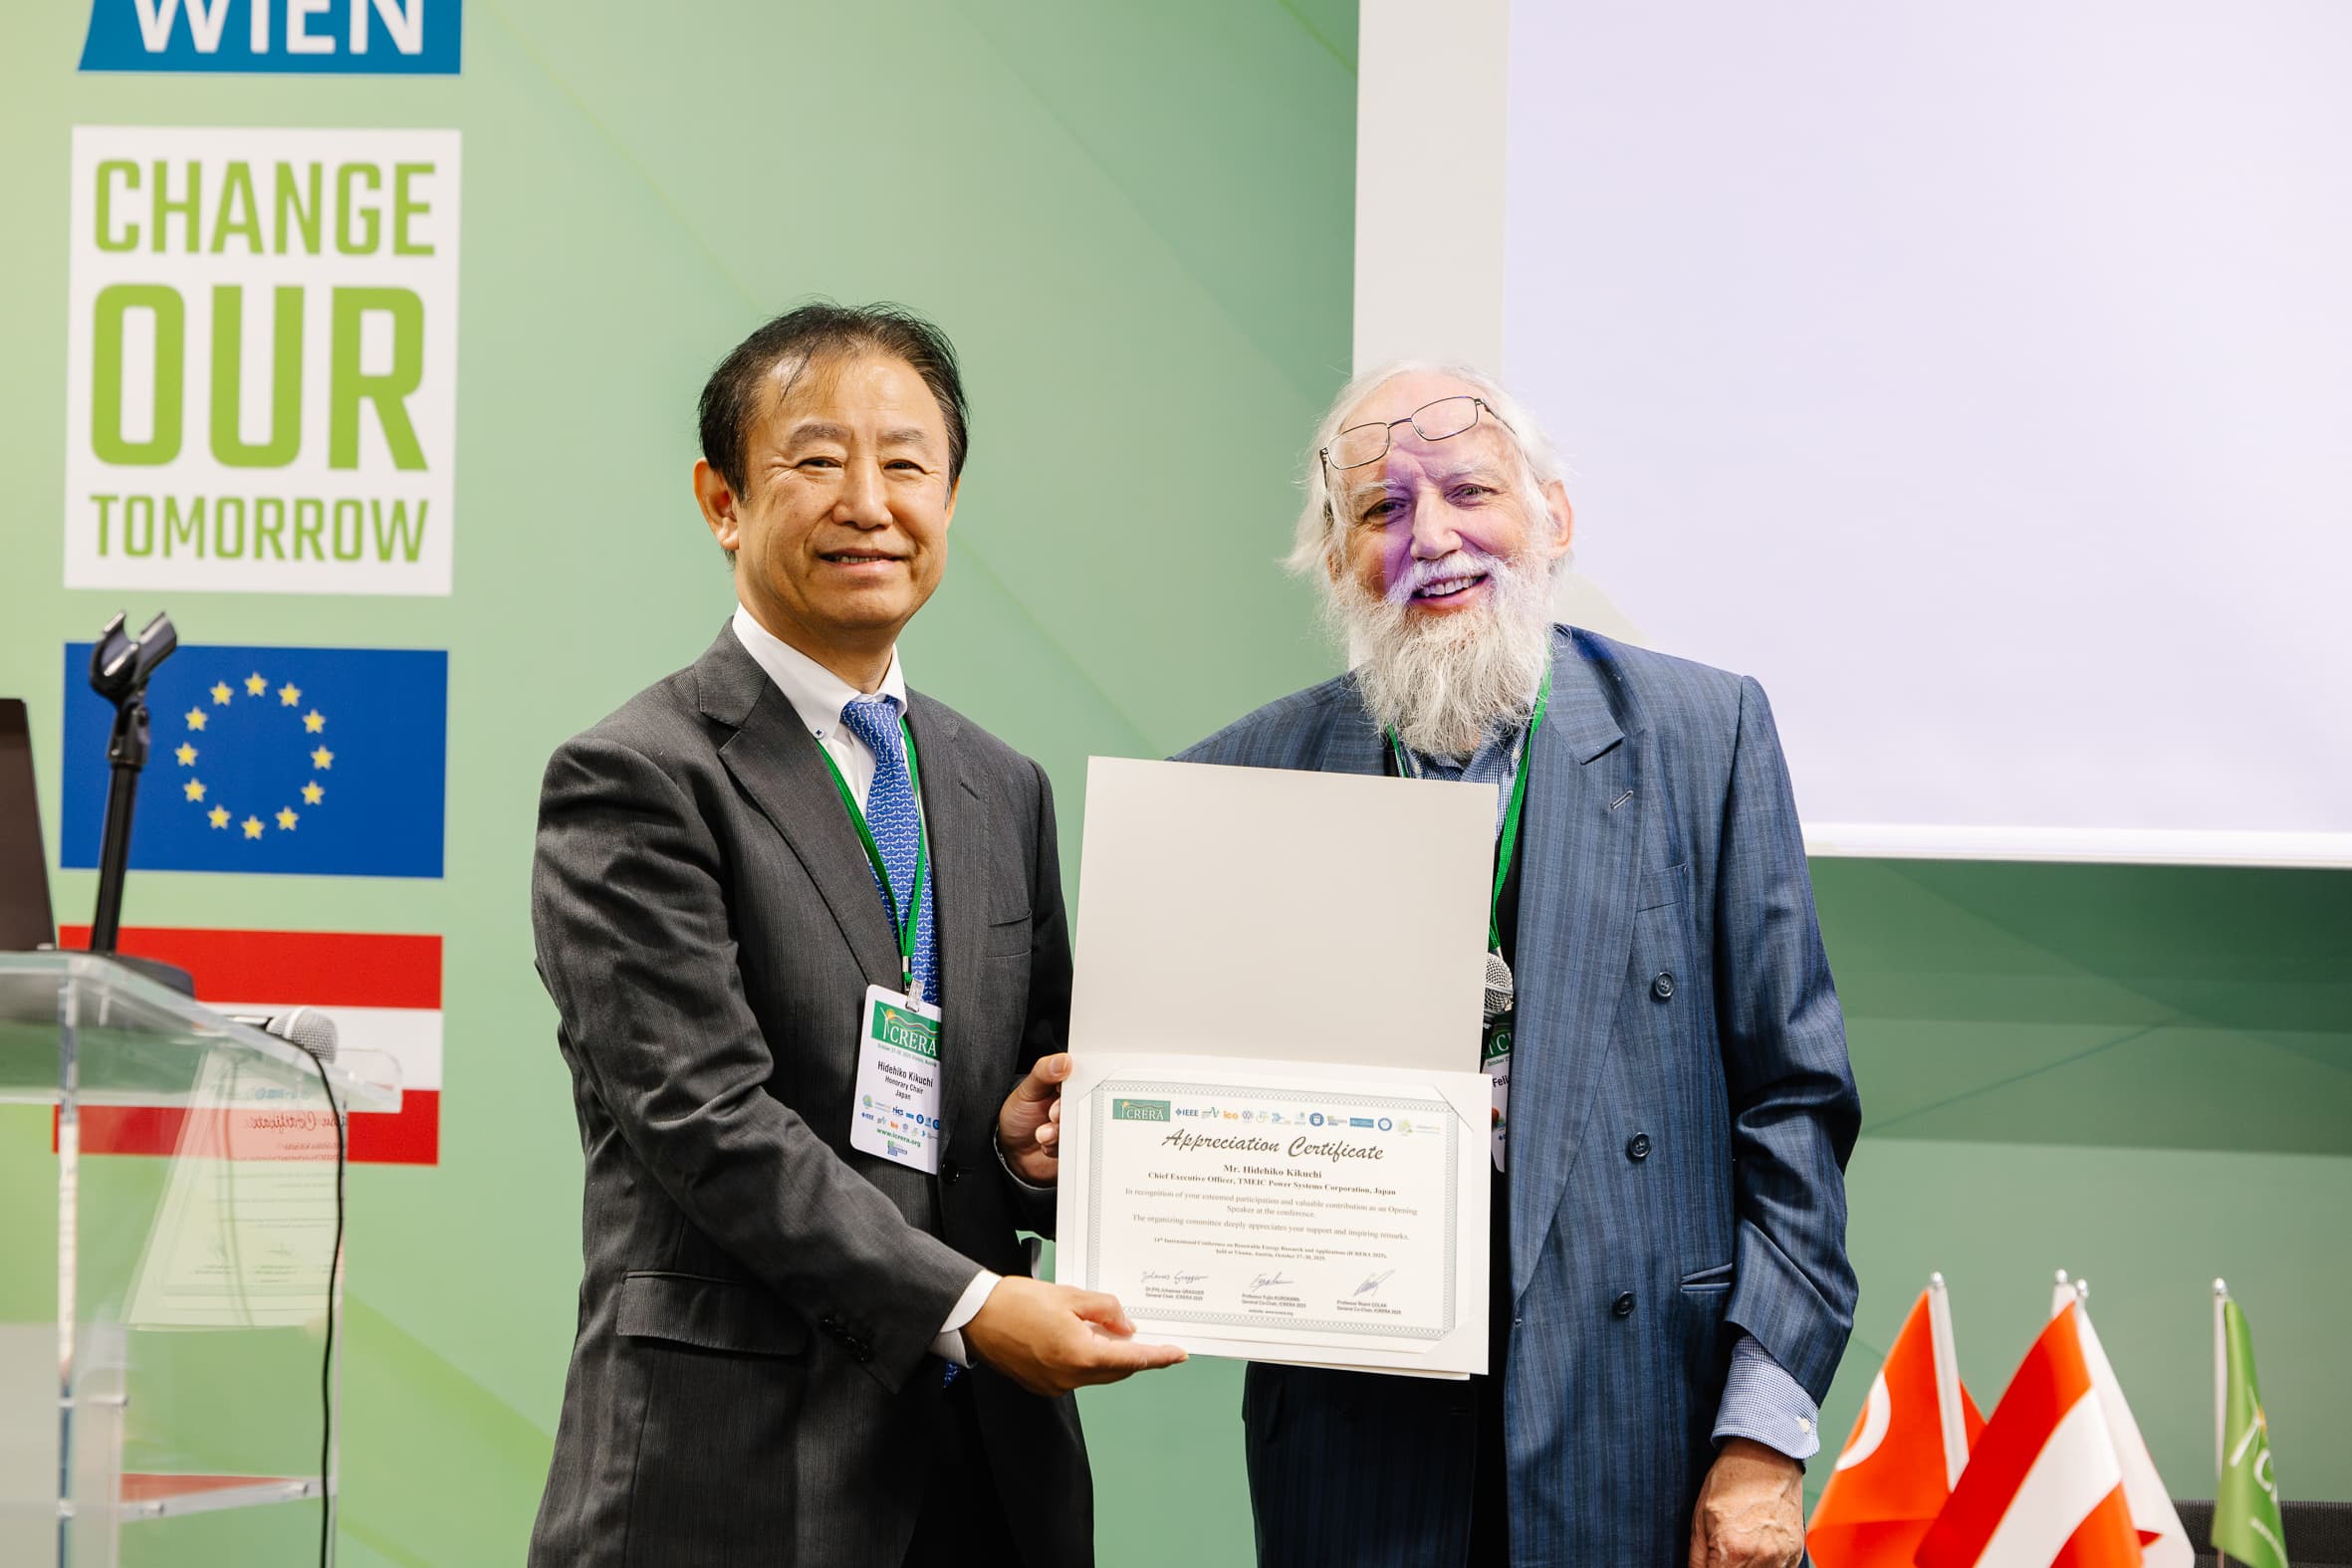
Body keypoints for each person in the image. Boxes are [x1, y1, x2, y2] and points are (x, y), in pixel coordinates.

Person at [528, 303, 1181, 1568]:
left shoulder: (1003, 785)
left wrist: (1026, 1147)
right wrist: (975, 1307)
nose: (868, 502)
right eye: (817, 460)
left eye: (907, 464)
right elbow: (703, 1123)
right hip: (733, 1462)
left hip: (985, 1475)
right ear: (723, 500)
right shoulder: (636, 776)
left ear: (951, 497)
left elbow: (1010, 1095)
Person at [1180, 361, 1861, 1568]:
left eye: (1470, 491)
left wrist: (1762, 1439)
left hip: (1648, 1425)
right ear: (1336, 561)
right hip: (1353, 1449)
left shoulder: (1706, 737)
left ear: (1552, 515)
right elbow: (1182, 1112)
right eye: (1382, 511)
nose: (1432, 537)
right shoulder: (1243, 781)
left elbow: (1794, 1108)